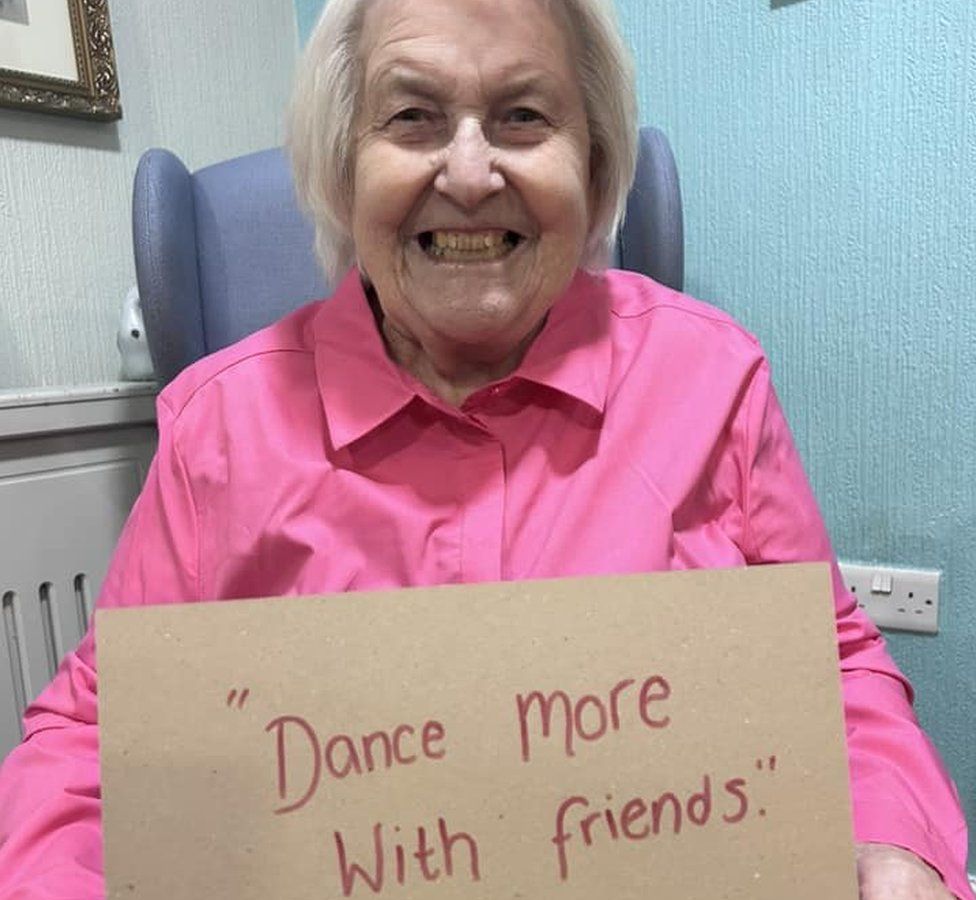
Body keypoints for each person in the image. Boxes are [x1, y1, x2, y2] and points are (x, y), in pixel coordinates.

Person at [0, 0, 971, 896]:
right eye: (412, 118)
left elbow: (829, 664)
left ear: (592, 170)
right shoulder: (217, 425)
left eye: (521, 117)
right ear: (343, 166)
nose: (468, 174)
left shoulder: (711, 380)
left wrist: (895, 843)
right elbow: (96, 738)